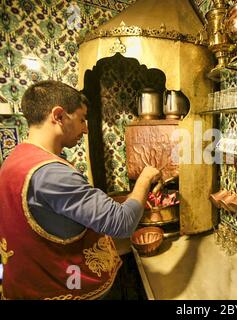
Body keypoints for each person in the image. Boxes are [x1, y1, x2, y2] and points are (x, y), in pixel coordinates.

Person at [0, 80, 161, 300]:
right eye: (82, 119)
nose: (85, 129)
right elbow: (123, 223)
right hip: (64, 289)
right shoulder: (52, 174)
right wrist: (145, 177)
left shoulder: (17, 157)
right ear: (58, 116)